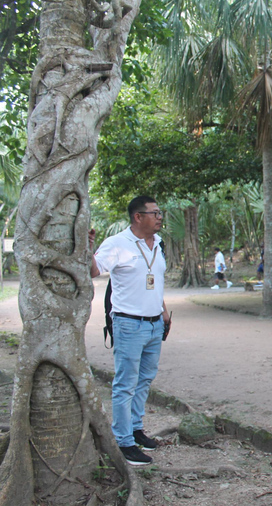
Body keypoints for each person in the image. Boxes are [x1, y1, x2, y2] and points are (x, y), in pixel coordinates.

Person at [90, 196, 171, 466]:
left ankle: (136, 429)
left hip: (154, 324)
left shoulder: (158, 244)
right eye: (155, 213)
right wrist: (86, 248)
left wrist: (163, 309)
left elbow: (154, 281)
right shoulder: (117, 244)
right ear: (138, 217)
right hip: (128, 324)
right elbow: (94, 270)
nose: (160, 217)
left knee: (145, 379)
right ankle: (123, 441)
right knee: (125, 383)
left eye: (160, 212)